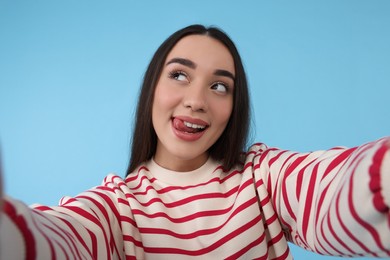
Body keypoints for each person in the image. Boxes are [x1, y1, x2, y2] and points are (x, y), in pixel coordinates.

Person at [0, 24, 389, 259]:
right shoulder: (117, 207)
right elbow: (63, 237)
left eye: (220, 86)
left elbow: (333, 188)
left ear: (235, 106)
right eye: (180, 76)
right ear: (152, 87)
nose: (197, 101)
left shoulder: (262, 177)